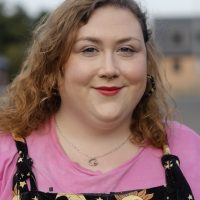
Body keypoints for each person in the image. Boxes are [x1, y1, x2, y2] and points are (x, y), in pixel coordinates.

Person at [0, 0, 199, 199]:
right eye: (89, 49)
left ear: (146, 61)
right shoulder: (5, 153)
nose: (109, 69)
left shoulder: (189, 149)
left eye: (126, 49)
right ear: (54, 64)